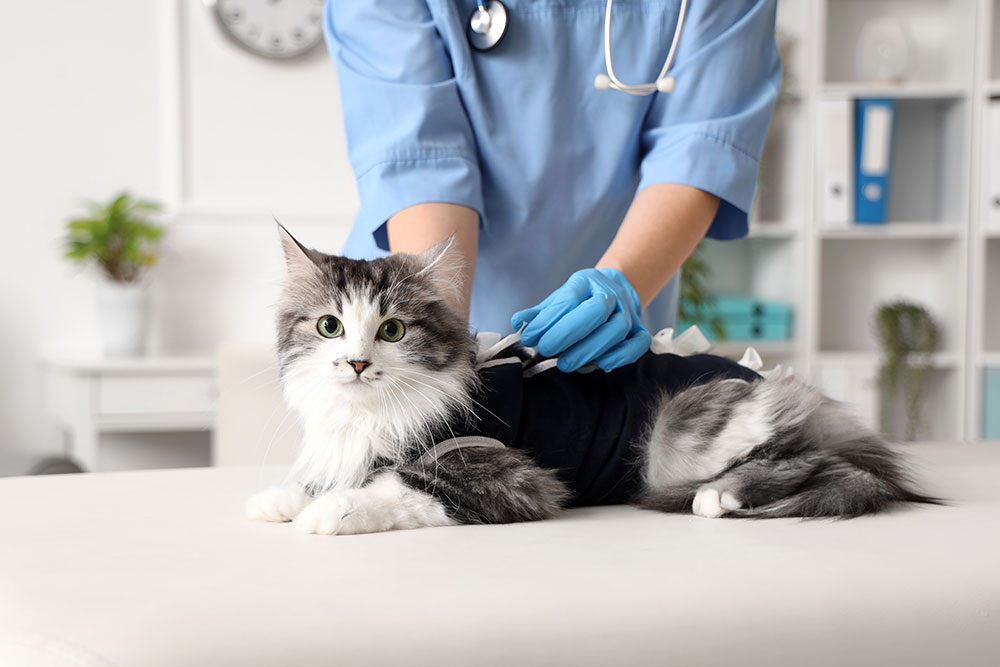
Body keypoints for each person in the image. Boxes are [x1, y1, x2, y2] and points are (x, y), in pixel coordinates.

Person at [324, 0, 781, 372]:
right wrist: (438, 353)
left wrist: (621, 284)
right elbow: (421, 160)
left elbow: (699, 147)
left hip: (616, 311)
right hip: (418, 314)